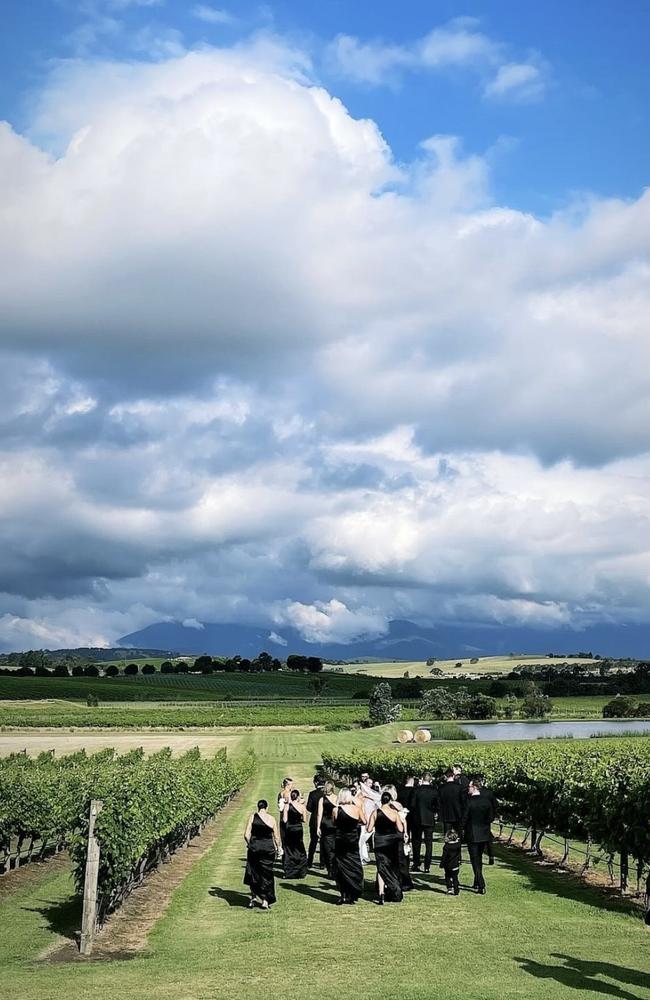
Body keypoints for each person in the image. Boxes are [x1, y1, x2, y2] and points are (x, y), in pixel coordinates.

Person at [367, 790, 404, 904]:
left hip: (379, 842)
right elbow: (401, 829)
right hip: (391, 843)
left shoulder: (375, 812)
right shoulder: (394, 813)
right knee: (391, 866)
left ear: (381, 801)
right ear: (390, 801)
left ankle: (381, 892)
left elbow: (369, 829)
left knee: (381, 867)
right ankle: (393, 888)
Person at [244, 799, 280, 909]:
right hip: (268, 849)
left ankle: (253, 897)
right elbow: (276, 837)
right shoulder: (272, 819)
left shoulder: (252, 817)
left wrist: (251, 844)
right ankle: (265, 900)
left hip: (255, 848)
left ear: (258, 807)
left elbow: (246, 834)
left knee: (253, 872)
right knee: (266, 874)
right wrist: (278, 848)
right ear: (267, 808)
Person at [462, 778, 494, 894]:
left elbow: (464, 818)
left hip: (472, 833)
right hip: (484, 833)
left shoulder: (469, 802)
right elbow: (490, 817)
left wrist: (462, 829)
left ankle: (481, 883)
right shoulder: (486, 802)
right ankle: (476, 881)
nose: (468, 789)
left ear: (474, 787)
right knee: (478, 858)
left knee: (474, 859)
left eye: (470, 787)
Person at [333, 788, 364, 904]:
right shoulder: (357, 809)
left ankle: (344, 894)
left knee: (340, 867)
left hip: (340, 840)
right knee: (353, 865)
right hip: (352, 840)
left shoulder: (336, 810)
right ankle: (352, 892)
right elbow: (364, 821)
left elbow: (334, 822)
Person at [411, 771, 438, 873]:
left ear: (422, 778)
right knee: (429, 843)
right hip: (429, 818)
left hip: (417, 819)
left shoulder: (416, 790)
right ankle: (427, 865)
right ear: (430, 779)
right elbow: (437, 805)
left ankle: (416, 863)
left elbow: (412, 805)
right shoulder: (434, 791)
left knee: (416, 842)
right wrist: (433, 811)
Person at [283, 788, 309, 878]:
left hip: (289, 828)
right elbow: (305, 820)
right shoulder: (302, 807)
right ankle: (301, 870)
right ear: (297, 797)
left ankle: (289, 870)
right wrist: (298, 819)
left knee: (289, 848)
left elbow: (284, 820)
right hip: (298, 828)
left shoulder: (287, 806)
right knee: (299, 847)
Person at [317, 781, 338, 877]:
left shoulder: (322, 799)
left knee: (327, 848)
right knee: (335, 847)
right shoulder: (337, 798)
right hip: (335, 824)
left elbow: (319, 814)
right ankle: (334, 868)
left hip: (325, 824)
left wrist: (318, 827)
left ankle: (330, 869)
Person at [359, 773, 381, 864]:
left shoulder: (371, 794)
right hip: (364, 819)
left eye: (371, 783)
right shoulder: (361, 794)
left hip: (371, 820)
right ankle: (362, 857)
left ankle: (364, 857)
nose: (370, 785)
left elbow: (379, 799)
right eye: (369, 783)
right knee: (361, 840)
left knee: (363, 840)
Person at [477, 774, 498, 865]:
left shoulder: (474, 792)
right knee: (488, 838)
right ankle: (491, 855)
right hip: (486, 818)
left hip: (476, 818)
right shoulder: (489, 792)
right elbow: (495, 805)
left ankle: (479, 855)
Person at [306, 775, 325, 867]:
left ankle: (309, 861)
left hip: (314, 820)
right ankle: (322, 863)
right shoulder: (326, 793)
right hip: (324, 820)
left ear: (316, 782)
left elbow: (308, 807)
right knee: (323, 843)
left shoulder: (312, 794)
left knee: (313, 842)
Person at [438, 768, 463, 835]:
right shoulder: (459, 787)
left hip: (446, 814)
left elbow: (439, 802)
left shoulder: (441, 788)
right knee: (458, 834)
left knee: (447, 834)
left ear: (446, 776)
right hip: (457, 813)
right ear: (453, 776)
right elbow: (462, 801)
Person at [439, 828, 462, 895]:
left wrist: (441, 864)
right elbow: (459, 854)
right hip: (456, 864)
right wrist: (460, 860)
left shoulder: (446, 847)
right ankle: (456, 889)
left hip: (448, 865)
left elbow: (444, 856)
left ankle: (449, 888)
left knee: (448, 876)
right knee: (455, 878)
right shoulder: (458, 845)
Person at [277, 777, 293, 848]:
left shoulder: (280, 793)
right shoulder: (287, 793)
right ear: (288, 785)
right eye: (291, 784)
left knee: (283, 837)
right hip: (288, 817)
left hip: (281, 817)